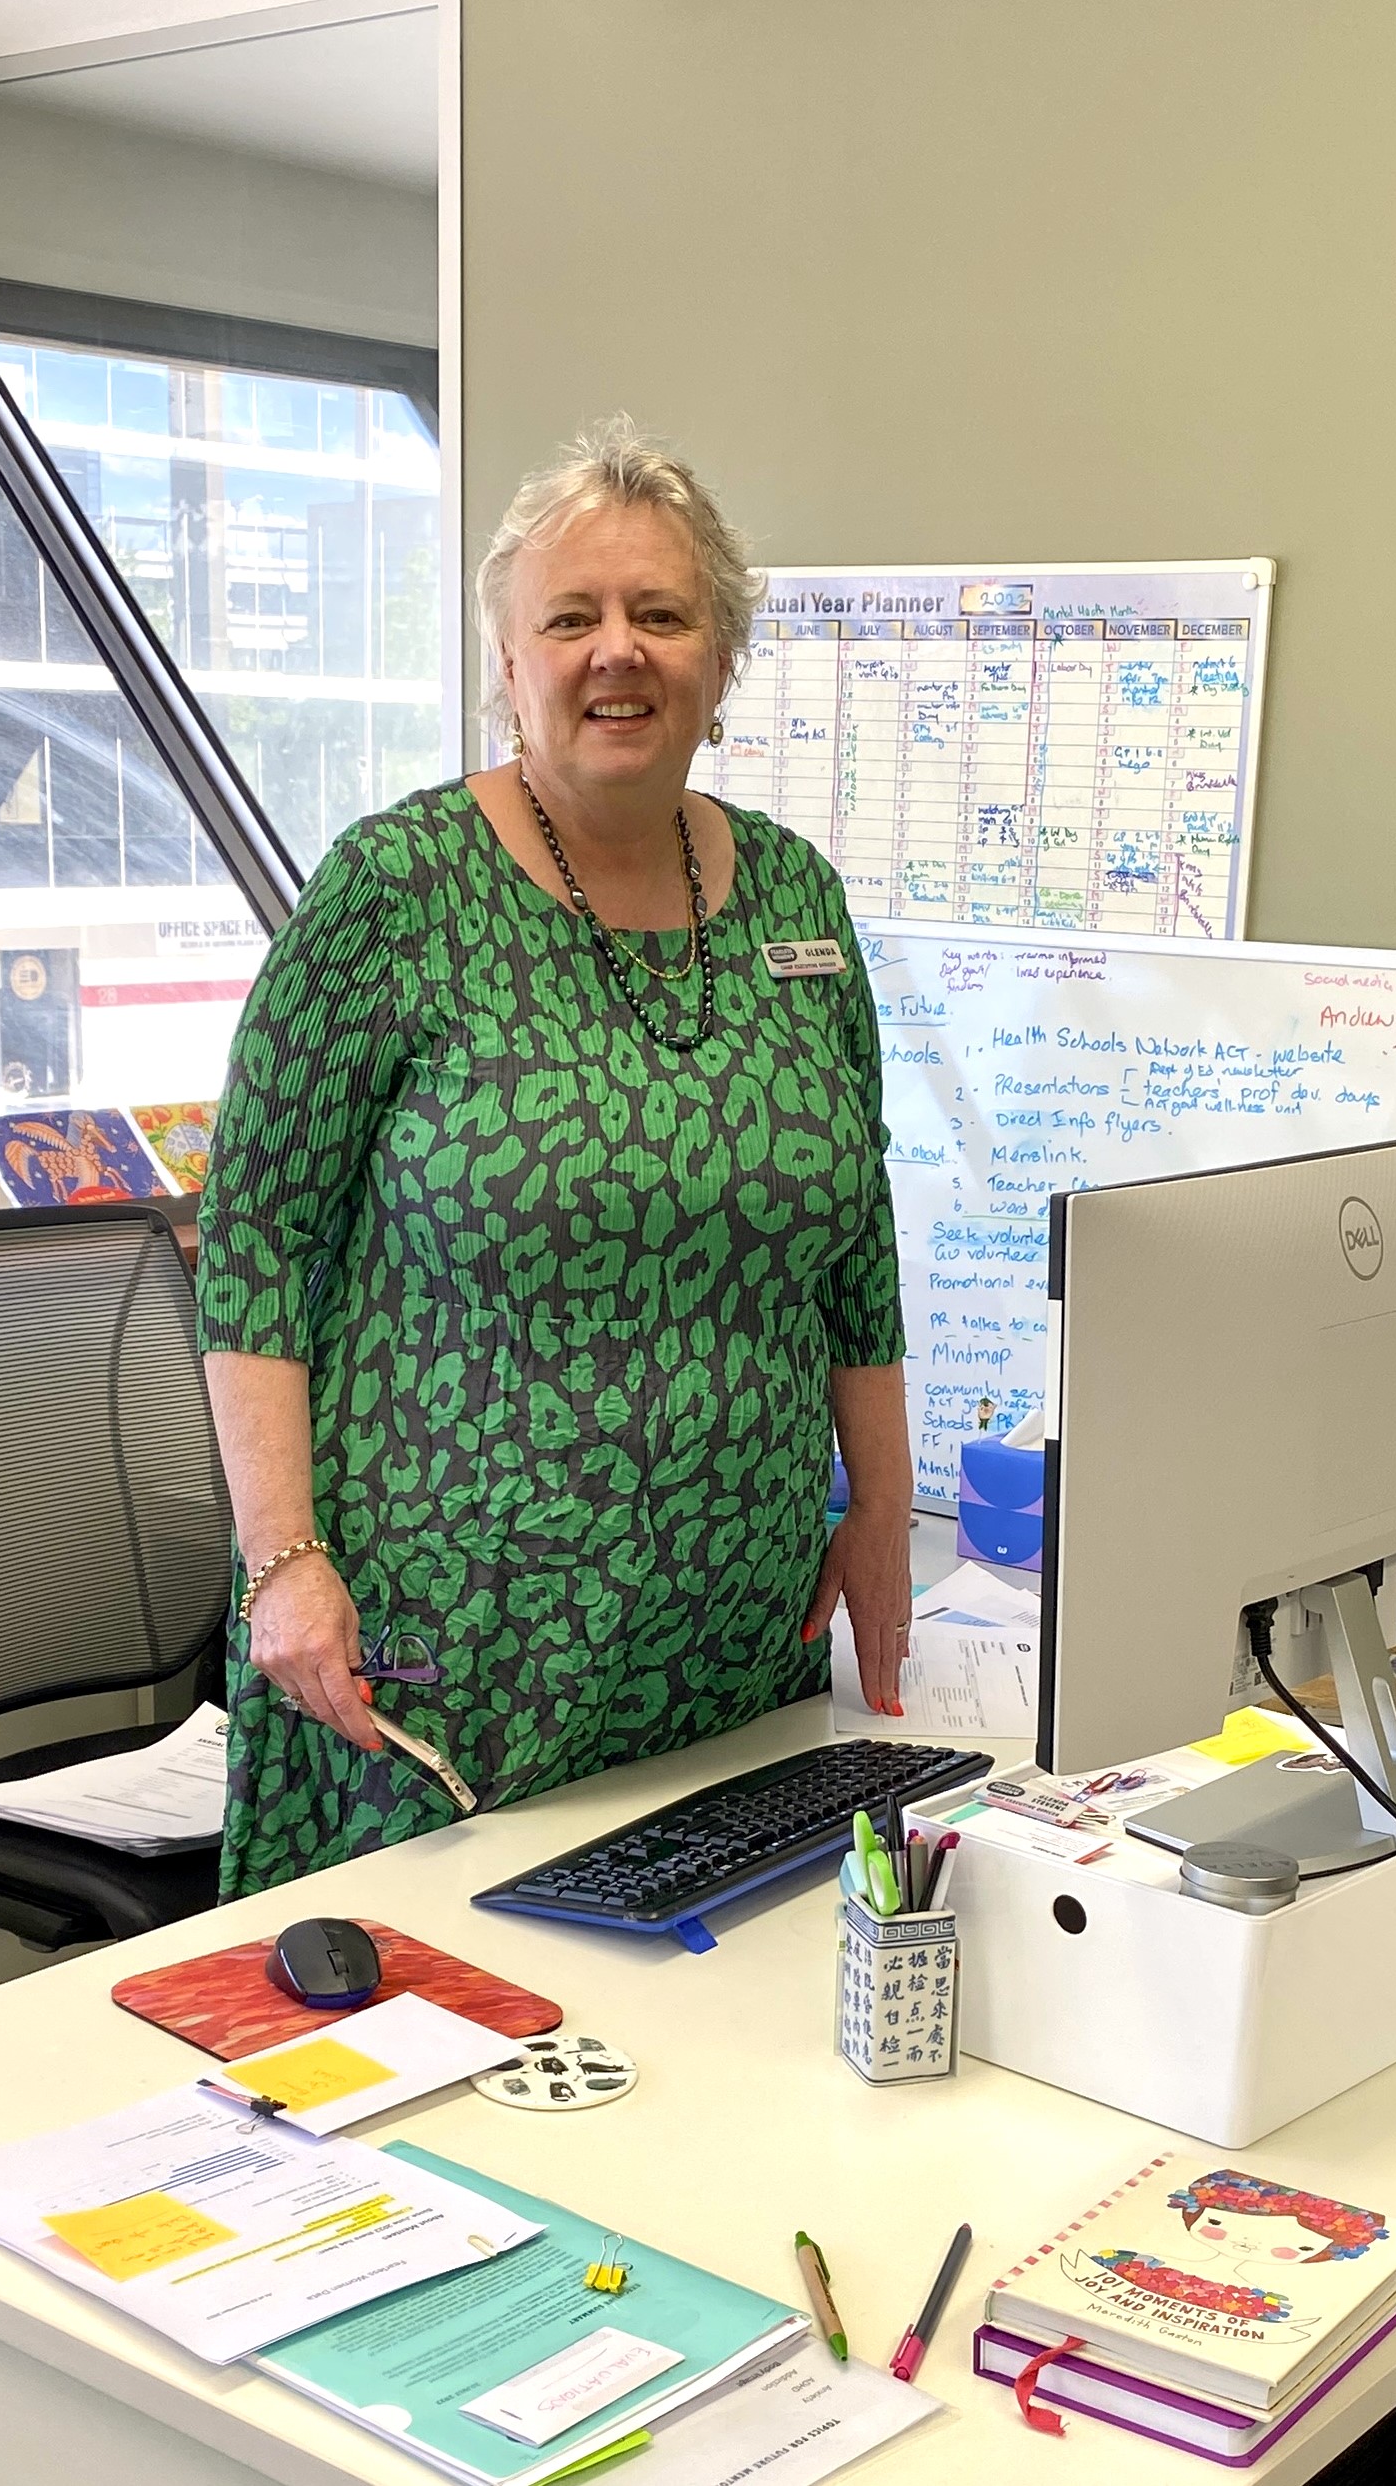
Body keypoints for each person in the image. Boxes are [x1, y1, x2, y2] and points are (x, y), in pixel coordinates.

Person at [195, 418, 914, 1896]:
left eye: (662, 614)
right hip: (447, 1661)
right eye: (570, 617)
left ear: (721, 662)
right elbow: (256, 1248)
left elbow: (857, 1248)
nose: (618, 651)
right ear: (506, 667)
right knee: (444, 2050)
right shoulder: (393, 896)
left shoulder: (797, 898)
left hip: (732, 1639)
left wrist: (884, 1516)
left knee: (707, 2037)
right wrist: (281, 1564)